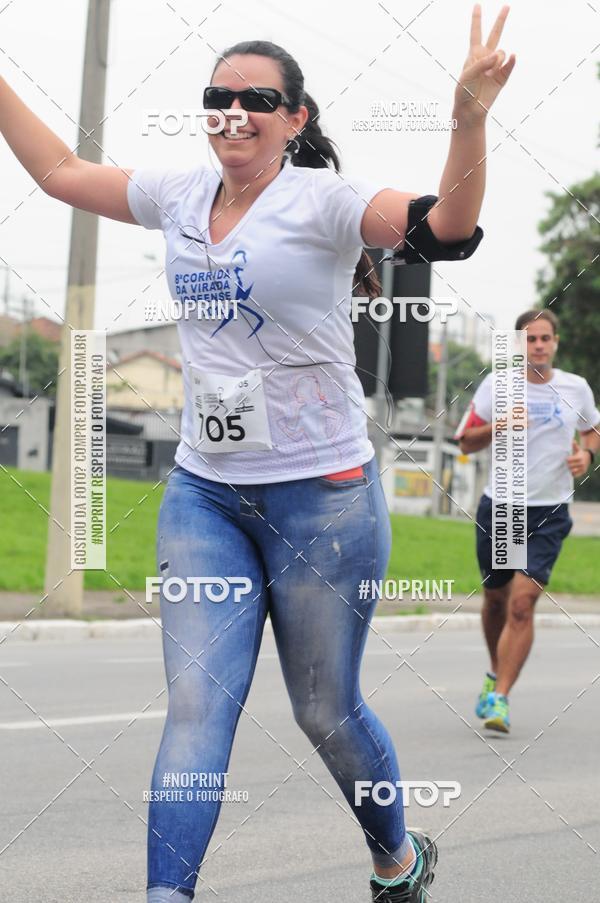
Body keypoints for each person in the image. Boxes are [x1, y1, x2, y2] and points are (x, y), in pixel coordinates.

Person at [0, 6, 515, 899]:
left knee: (325, 709)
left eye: (258, 99)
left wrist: (468, 118)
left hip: (326, 497)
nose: (234, 111)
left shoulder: (325, 204)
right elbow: (58, 171)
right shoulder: (176, 193)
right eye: (218, 97)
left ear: (294, 119)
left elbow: (447, 229)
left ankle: (397, 857)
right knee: (199, 708)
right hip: (205, 494)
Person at [456, 309, 600, 734]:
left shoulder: (576, 388)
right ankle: (495, 669)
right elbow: (465, 441)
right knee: (497, 601)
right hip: (501, 507)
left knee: (522, 603)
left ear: (555, 342)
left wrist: (587, 454)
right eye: (530, 339)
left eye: (545, 338)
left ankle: (499, 697)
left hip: (550, 510)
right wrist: (500, 425)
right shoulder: (497, 385)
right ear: (520, 345)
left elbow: (593, 429)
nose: (538, 345)